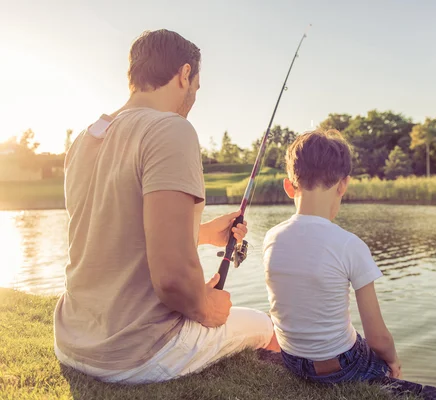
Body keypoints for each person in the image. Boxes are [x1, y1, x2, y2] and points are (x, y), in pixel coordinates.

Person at [53, 29, 278, 384]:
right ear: (185, 74)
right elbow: (173, 281)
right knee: (266, 326)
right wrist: (206, 306)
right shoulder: (170, 129)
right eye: (196, 87)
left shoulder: (85, 139)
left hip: (70, 343)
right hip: (136, 354)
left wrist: (202, 234)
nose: (193, 97)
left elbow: (111, 236)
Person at [262, 129, 402, 384]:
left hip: (291, 358)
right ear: (343, 184)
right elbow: (378, 338)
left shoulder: (271, 237)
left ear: (288, 186)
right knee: (376, 355)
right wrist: (391, 359)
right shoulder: (349, 245)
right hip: (339, 367)